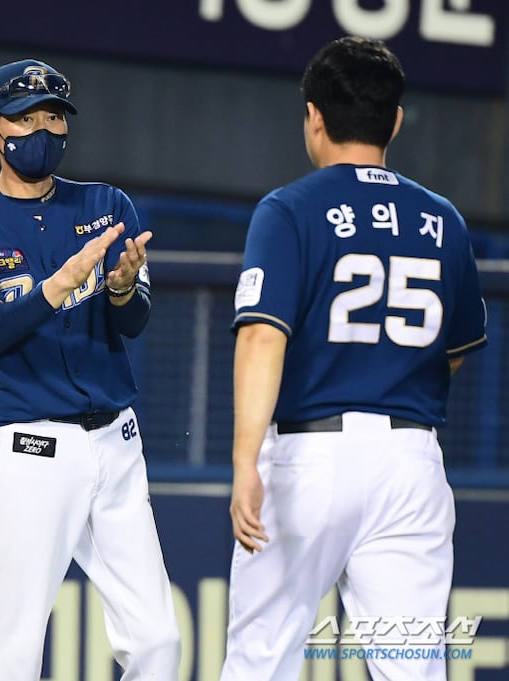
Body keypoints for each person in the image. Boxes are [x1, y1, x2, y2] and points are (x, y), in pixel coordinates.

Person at [219, 36, 488, 681]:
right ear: (394, 121)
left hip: (309, 457)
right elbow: (452, 353)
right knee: (414, 669)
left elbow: (261, 338)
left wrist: (244, 460)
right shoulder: (443, 220)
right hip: (409, 462)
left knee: (261, 662)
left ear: (314, 117)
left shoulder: (289, 209)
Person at [0, 58, 180, 681]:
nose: (41, 129)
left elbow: (134, 322)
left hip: (116, 443)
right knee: (15, 654)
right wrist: (61, 283)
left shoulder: (107, 204)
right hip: (27, 449)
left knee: (158, 642)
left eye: (52, 116)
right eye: (24, 117)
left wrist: (121, 288)